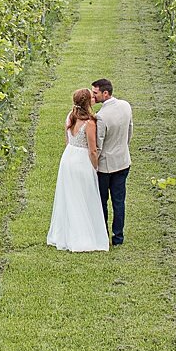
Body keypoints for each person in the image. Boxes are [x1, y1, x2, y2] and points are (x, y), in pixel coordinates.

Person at [46, 87, 110, 252]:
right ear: (88, 102)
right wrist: (95, 166)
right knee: (84, 196)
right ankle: (82, 236)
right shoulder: (89, 123)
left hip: (68, 157)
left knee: (70, 196)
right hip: (81, 159)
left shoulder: (70, 116)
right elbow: (92, 149)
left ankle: (64, 234)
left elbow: (67, 140)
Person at [92, 78, 133, 246]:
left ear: (105, 93)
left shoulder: (101, 117)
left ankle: (103, 235)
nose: (93, 96)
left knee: (102, 201)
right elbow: (130, 130)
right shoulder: (126, 105)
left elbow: (99, 144)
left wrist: (94, 163)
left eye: (95, 93)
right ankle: (118, 237)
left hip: (106, 166)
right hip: (123, 161)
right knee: (119, 201)